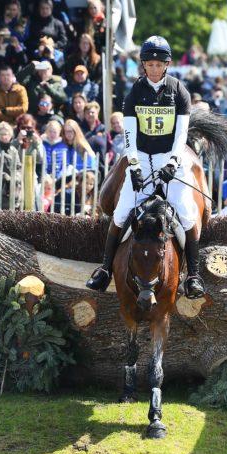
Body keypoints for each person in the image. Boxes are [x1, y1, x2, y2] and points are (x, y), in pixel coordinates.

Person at [85, 36, 204, 298]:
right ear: (143, 65)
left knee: (186, 212)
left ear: (167, 64)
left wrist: (173, 164)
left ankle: (194, 275)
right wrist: (135, 168)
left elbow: (181, 134)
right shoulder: (135, 92)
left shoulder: (178, 91)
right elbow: (129, 134)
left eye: (158, 64)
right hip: (141, 157)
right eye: (149, 64)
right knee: (121, 212)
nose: (153, 69)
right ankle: (104, 270)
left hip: (170, 157)